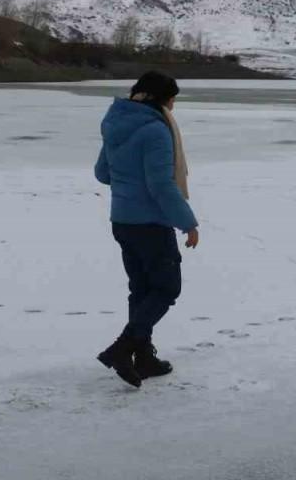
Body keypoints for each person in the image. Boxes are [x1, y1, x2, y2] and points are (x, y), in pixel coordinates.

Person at [94, 71, 199, 387]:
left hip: (123, 220)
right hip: (151, 223)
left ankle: (144, 358)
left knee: (141, 290)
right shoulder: (155, 130)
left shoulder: (116, 124)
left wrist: (128, 180)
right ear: (161, 98)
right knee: (166, 288)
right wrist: (188, 222)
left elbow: (102, 173)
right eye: (172, 98)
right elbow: (160, 185)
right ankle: (123, 348)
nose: (173, 105)